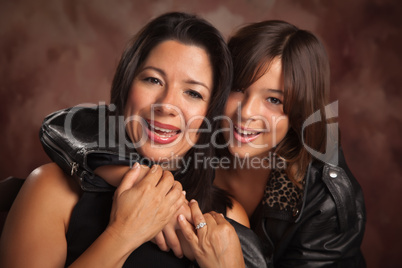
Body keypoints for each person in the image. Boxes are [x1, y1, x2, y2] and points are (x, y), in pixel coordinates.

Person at [0, 12, 265, 268]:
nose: (166, 105)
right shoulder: (52, 188)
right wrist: (123, 234)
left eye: (193, 93)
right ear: (126, 87)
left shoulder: (228, 217)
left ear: (211, 112)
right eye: (153, 80)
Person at [207, 20, 366, 267]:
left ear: (300, 111)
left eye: (273, 99)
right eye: (237, 88)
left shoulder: (325, 201)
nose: (247, 112)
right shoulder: (192, 138)